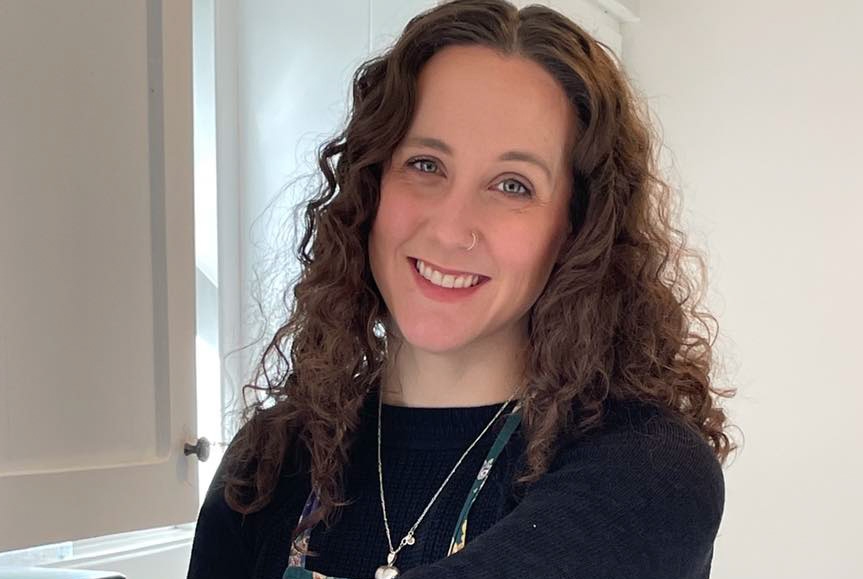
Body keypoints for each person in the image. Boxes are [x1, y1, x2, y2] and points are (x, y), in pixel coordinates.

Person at [186, 1, 739, 578]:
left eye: (512, 185)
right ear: (370, 186)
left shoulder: (649, 468)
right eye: (426, 165)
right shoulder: (272, 459)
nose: (451, 228)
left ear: (578, 230)